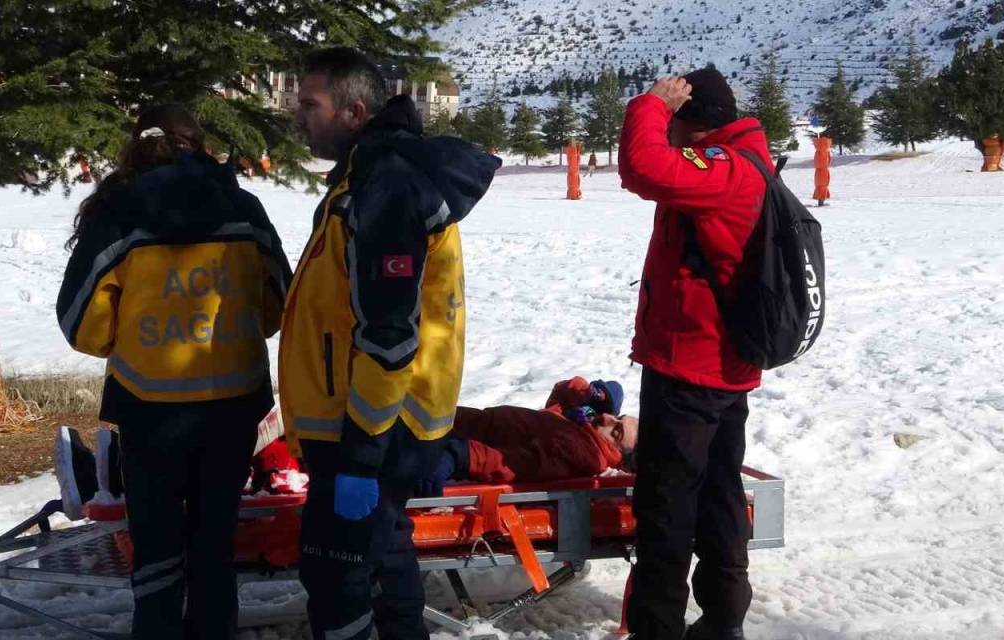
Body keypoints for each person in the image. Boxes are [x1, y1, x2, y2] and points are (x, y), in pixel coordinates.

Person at [281, 47, 500, 640]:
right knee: (383, 558)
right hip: (376, 419)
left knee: (338, 576)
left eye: (309, 104)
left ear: (353, 111)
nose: (296, 114)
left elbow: (388, 335)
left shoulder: (386, 185)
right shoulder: (368, 175)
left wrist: (358, 455)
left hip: (372, 425)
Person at [55, 104, 291, 639]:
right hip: (233, 409)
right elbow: (279, 305)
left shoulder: (118, 212)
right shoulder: (246, 209)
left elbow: (79, 323)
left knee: (157, 550)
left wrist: (133, 336)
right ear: (201, 146)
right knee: (213, 547)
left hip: (148, 411)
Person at [617, 69, 772, 640]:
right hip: (720, 365)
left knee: (667, 504)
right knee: (718, 492)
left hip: (693, 366)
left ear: (695, 121)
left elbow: (643, 168)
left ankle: (661, 628)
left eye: (677, 122)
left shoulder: (724, 168)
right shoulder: (740, 160)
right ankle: (723, 620)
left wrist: (651, 106)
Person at [416, 377, 638, 495]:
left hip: (457, 441)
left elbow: (519, 463)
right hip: (462, 425)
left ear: (618, 456)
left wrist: (460, 456)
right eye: (619, 417)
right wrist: (592, 394)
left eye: (616, 431)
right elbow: (562, 392)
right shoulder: (581, 426)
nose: (608, 418)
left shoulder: (583, 452)